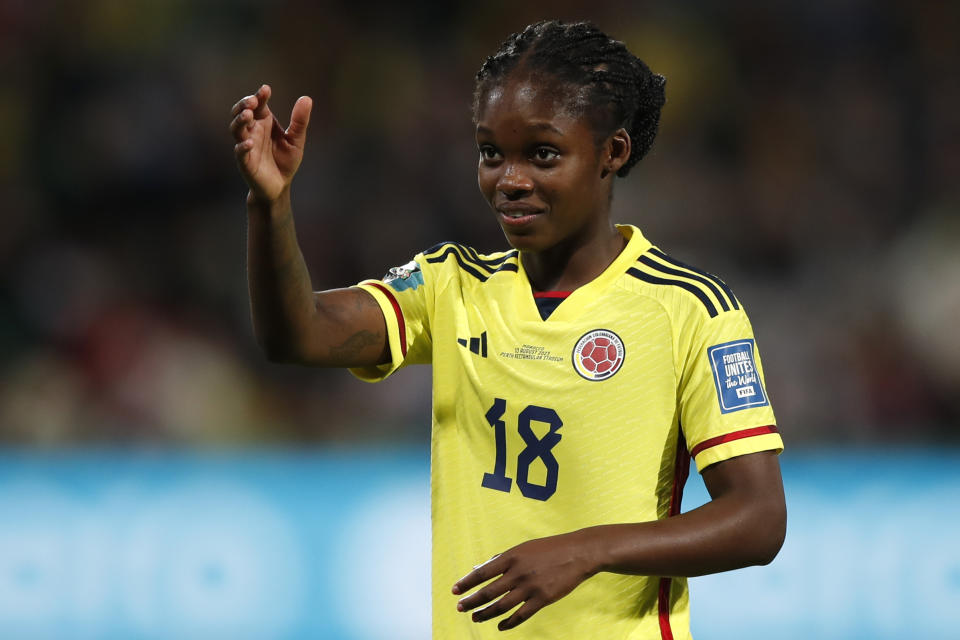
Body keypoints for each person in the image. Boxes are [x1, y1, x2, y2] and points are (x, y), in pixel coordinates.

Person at [230, 19, 786, 640]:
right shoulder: (450, 286)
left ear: (614, 152)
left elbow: (758, 519)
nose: (510, 179)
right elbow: (295, 335)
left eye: (542, 154)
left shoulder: (690, 310)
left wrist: (586, 549)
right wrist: (270, 205)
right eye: (491, 152)